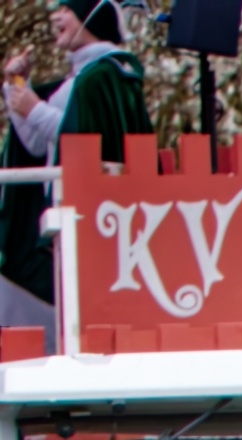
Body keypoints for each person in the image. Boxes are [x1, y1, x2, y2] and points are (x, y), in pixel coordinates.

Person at [0, 1, 146, 327]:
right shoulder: (77, 79)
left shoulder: (108, 74)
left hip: (93, 219)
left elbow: (84, 139)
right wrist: (18, 88)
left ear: (90, 15)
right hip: (62, 216)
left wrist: (34, 108)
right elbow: (40, 143)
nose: (56, 16)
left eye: (66, 8)